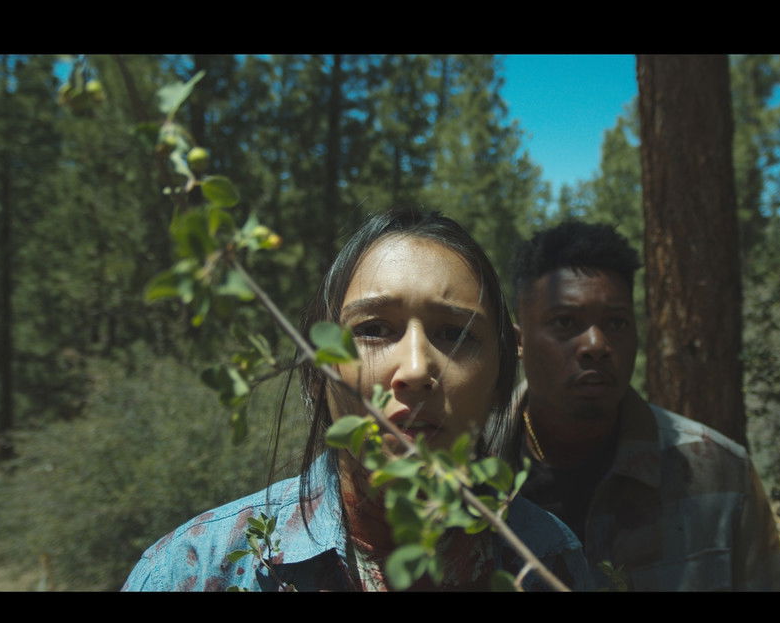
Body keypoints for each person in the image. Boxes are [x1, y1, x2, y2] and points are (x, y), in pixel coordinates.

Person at [124, 209, 590, 591]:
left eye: (454, 334)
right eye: (374, 329)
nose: (415, 369)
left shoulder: (548, 560)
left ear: (500, 379)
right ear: (317, 371)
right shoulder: (195, 570)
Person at [510, 221, 780, 591]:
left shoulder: (717, 472)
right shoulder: (466, 468)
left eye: (616, 323)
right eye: (565, 322)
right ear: (518, 341)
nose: (596, 344)